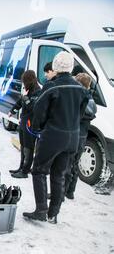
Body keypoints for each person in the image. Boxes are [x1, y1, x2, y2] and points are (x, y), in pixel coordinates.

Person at [24, 52, 89, 224]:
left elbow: (39, 111)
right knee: (59, 174)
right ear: (71, 66)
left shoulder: (52, 86)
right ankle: (53, 213)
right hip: (73, 136)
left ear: (56, 66)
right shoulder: (81, 89)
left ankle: (41, 210)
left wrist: (39, 128)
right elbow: (82, 112)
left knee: (38, 170)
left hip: (53, 134)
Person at [64, 73, 97, 200]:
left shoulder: (80, 97)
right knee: (74, 164)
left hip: (75, 134)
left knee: (67, 163)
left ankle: (62, 191)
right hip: (83, 134)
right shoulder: (90, 99)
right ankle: (70, 191)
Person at [8, 70, 42, 178]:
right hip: (24, 121)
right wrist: (12, 110)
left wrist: (26, 98)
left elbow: (33, 108)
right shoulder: (28, 89)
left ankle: (25, 171)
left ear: (29, 80)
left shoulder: (37, 91)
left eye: (24, 81)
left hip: (31, 124)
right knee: (22, 146)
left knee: (28, 147)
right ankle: (21, 167)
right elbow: (20, 101)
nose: (23, 83)